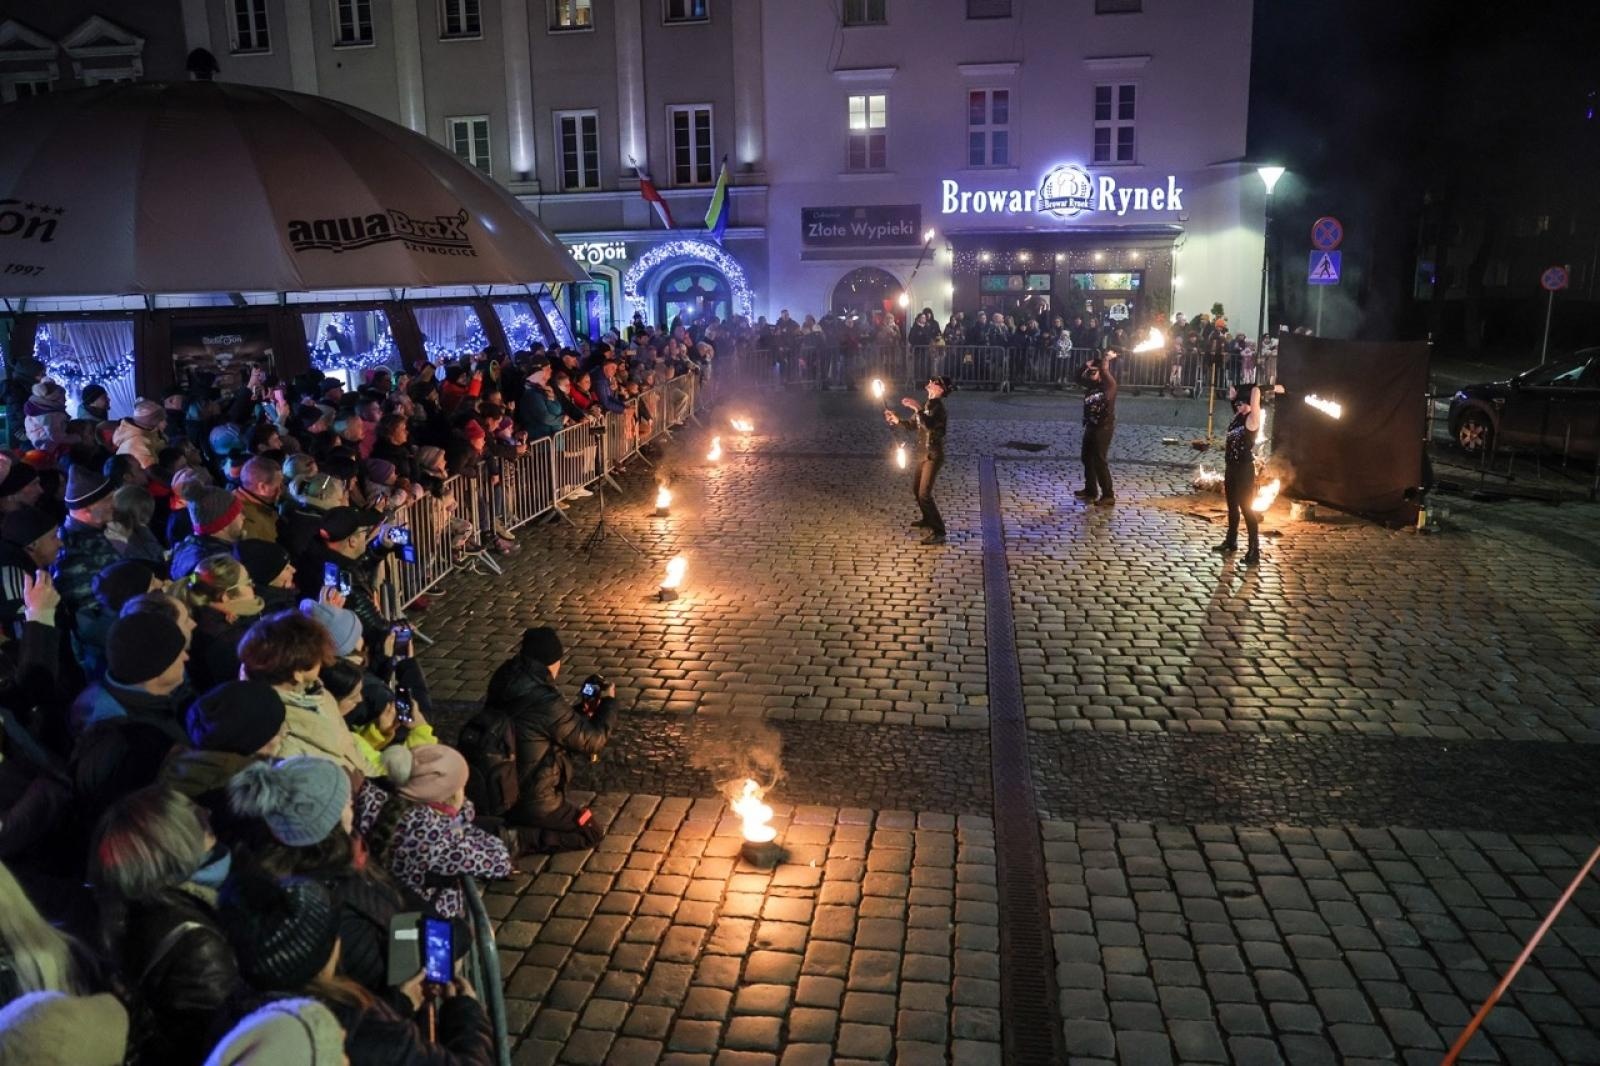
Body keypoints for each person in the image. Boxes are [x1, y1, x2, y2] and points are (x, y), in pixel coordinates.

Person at [217, 873, 493, 1066]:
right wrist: (465, 1012)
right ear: (330, 951)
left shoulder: (234, 1020)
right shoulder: (364, 1028)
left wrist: (400, 1002)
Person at [88, 785, 241, 1066]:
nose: (208, 812)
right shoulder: (198, 946)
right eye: (196, 816)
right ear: (176, 846)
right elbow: (221, 1043)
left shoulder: (128, 905)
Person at [481, 626, 613, 852]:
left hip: (499, 789)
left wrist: (580, 711)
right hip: (533, 800)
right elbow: (593, 741)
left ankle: (509, 826)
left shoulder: (506, 678)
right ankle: (516, 840)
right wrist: (609, 704)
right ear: (554, 662)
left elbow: (542, 725)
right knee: (590, 832)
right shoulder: (545, 700)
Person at [356, 744, 511, 919]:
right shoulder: (433, 836)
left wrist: (453, 814)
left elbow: (464, 813)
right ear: (448, 796)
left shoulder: (380, 798)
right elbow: (499, 862)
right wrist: (457, 821)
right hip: (428, 916)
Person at [883, 376, 951, 546]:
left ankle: (939, 531)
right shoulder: (928, 405)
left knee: (924, 494)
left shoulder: (939, 409)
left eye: (933, 382)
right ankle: (928, 519)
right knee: (916, 489)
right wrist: (897, 420)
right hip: (923, 454)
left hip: (933, 455)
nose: (929, 383)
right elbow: (913, 425)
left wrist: (917, 408)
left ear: (940, 390)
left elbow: (929, 426)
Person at [1217, 381, 1264, 568]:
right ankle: (1231, 540)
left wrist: (1256, 389)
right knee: (1232, 506)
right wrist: (1234, 395)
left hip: (1244, 469)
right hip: (1231, 467)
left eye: (1243, 403)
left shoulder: (1252, 421)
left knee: (1247, 508)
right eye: (1238, 404)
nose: (1239, 406)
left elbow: (1255, 399)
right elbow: (1234, 401)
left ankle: (1254, 550)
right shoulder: (1237, 416)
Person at [1075, 349, 1119, 506]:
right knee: (1086, 458)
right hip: (1091, 425)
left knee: (1100, 460)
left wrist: (1105, 364)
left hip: (1104, 427)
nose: (1090, 374)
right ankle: (1090, 490)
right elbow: (1076, 378)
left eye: (1094, 372)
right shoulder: (1090, 384)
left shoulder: (1109, 386)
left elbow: (1108, 376)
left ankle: (1108, 495)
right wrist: (1084, 366)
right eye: (1090, 372)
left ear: (1100, 373)